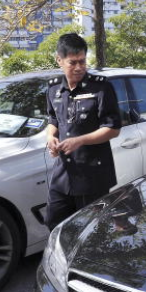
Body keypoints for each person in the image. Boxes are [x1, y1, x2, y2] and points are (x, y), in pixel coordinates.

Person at [45, 33, 121, 230]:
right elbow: (53, 119)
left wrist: (79, 141)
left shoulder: (101, 87)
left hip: (92, 176)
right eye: (73, 62)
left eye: (82, 61)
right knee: (54, 223)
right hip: (63, 174)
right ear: (59, 60)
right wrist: (50, 137)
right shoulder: (53, 88)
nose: (79, 67)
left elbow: (113, 128)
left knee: (93, 230)